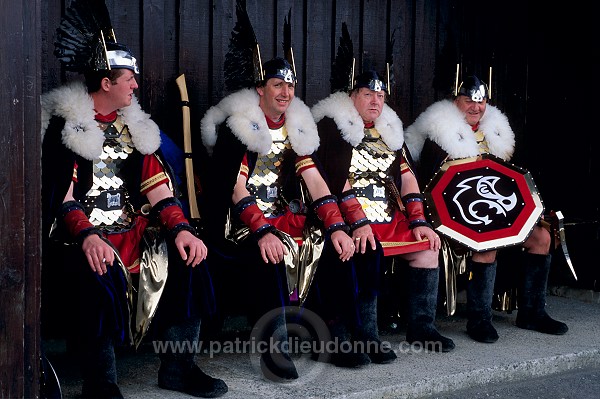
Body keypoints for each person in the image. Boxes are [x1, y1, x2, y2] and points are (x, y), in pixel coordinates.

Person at [41, 1, 227, 397]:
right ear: (106, 82)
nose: (136, 86)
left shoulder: (135, 128)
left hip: (133, 230)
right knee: (97, 273)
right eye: (129, 78)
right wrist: (88, 236)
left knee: (190, 259)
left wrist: (181, 228)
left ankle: (179, 367)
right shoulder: (66, 128)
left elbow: (157, 187)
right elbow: (63, 197)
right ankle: (100, 381)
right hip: (80, 235)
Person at [198, 56, 356, 381]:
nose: (285, 92)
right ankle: (275, 349)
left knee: (328, 242)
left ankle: (329, 333)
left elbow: (314, 180)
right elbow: (234, 188)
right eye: (277, 84)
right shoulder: (239, 127)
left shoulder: (295, 128)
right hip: (240, 222)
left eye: (290, 85)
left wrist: (337, 226)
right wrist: (261, 230)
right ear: (260, 89)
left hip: (281, 216)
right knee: (271, 254)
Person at [404, 74, 568, 343]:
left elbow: (510, 182)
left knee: (542, 238)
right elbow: (432, 187)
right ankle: (479, 319)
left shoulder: (497, 134)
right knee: (487, 243)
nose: (475, 107)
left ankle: (532, 312)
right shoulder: (438, 134)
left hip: (496, 211)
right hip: (453, 215)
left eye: (480, 102)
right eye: (469, 100)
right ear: (456, 101)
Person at [312, 69, 456, 356]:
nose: (375, 101)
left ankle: (422, 327)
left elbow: (408, 177)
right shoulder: (335, 127)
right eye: (368, 94)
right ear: (353, 96)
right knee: (368, 248)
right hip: (348, 217)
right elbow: (338, 180)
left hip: (389, 215)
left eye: (380, 95)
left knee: (428, 246)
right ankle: (366, 334)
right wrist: (359, 222)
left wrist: (418, 220)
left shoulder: (389, 130)